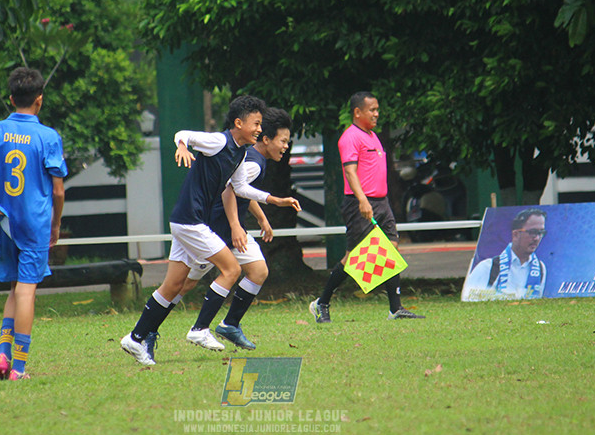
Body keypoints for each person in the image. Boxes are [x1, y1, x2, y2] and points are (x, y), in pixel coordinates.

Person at [120, 94, 266, 366]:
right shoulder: (220, 141)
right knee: (232, 269)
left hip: (186, 221)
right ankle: (199, 330)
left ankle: (136, 337)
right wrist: (183, 146)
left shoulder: (240, 152)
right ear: (238, 123)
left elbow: (240, 188)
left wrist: (274, 199)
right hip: (191, 221)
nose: (260, 129)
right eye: (256, 124)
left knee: (174, 285)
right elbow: (183, 133)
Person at [0, 67, 67, 381]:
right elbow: (58, 189)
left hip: (3, 220)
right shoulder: (47, 136)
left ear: (11, 98)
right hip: (33, 224)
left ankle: (3, 356)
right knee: (26, 293)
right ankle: (18, 368)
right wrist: (56, 225)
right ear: (39, 100)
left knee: (13, 289)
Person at [171, 107, 301, 350]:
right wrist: (235, 226)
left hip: (227, 229)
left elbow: (242, 189)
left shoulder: (251, 156)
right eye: (283, 141)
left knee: (258, 270)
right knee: (182, 284)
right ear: (266, 140)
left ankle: (229, 324)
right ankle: (156, 326)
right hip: (215, 229)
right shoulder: (253, 161)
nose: (286, 146)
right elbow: (229, 190)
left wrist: (262, 218)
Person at [309, 92, 423, 322]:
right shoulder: (350, 138)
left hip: (382, 203)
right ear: (357, 112)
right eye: (372, 110)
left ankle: (395, 309)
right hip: (360, 203)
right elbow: (350, 172)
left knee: (390, 249)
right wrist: (362, 200)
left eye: (377, 109)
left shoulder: (373, 136)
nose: (376, 114)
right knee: (354, 257)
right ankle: (322, 303)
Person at [463, 208, 547, 300]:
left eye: (541, 232)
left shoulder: (540, 268)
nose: (537, 238)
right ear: (515, 235)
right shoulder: (486, 267)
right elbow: (468, 299)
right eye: (533, 232)